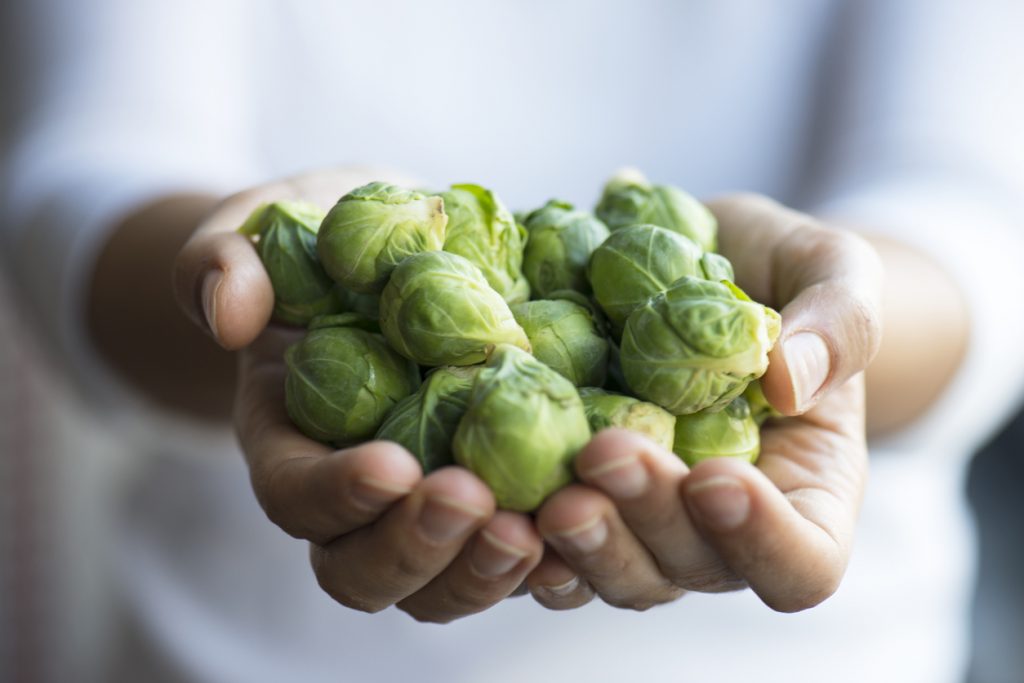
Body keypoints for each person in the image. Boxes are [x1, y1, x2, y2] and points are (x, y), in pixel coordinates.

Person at [1, 1, 1022, 681]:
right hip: (236, 652)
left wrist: (829, 331)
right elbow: (80, 171)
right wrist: (247, 295)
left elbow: (976, 217)